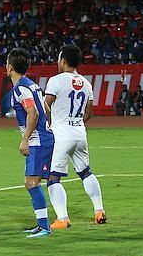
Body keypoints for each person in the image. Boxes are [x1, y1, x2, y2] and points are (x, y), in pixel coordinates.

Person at [44, 45, 106, 229]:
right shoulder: (86, 83)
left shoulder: (55, 81)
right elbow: (89, 112)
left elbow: (45, 106)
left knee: (53, 178)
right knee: (85, 172)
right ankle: (99, 210)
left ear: (63, 60)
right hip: (80, 132)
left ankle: (63, 218)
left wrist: (50, 124)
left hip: (61, 133)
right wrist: (76, 124)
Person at [6, 48, 54, 238]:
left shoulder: (21, 88)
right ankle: (41, 224)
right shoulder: (32, 85)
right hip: (42, 137)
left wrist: (25, 139)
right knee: (31, 182)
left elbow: (32, 113)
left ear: (10, 68)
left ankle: (44, 227)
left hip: (37, 140)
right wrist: (48, 126)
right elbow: (46, 108)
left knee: (32, 182)